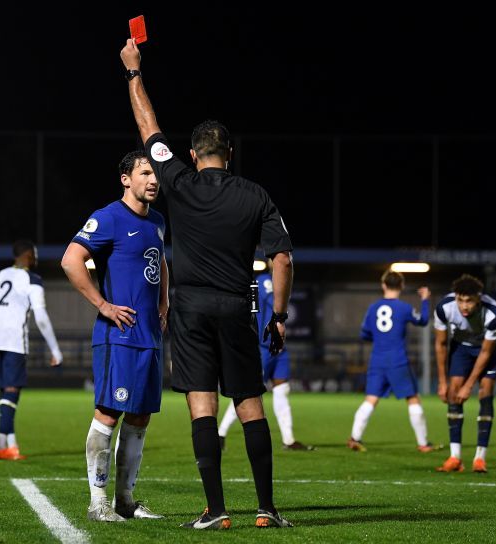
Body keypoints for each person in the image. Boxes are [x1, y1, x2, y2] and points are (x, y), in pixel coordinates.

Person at [121, 39, 294, 530]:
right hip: (238, 307)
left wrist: (134, 72)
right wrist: (277, 316)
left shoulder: (178, 180)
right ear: (230, 154)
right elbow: (281, 258)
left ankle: (216, 510)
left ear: (193, 154)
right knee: (249, 404)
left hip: (189, 309)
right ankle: (266, 508)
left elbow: (147, 126)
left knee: (201, 402)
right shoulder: (256, 196)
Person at [61, 150, 168, 522]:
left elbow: (160, 261)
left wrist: (165, 303)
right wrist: (103, 305)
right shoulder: (107, 218)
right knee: (109, 414)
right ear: (126, 179)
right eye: (145, 173)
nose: (153, 180)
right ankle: (97, 502)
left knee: (140, 419)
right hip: (118, 336)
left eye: (156, 174)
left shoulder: (157, 220)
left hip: (149, 336)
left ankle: (125, 500)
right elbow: (71, 260)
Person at [0, 239, 63, 461]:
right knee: (11, 392)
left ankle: (7, 443)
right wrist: (55, 348)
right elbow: (41, 317)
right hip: (14, 342)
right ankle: (1, 446)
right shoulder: (32, 280)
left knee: (5, 393)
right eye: (34, 254)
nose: (36, 259)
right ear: (28, 256)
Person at [219, 264, 313, 452]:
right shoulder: (265, 281)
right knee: (247, 393)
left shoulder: (279, 282)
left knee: (282, 390)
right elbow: (275, 305)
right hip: (262, 346)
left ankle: (289, 439)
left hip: (279, 347)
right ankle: (220, 433)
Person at [347, 269, 436, 453]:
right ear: (401, 286)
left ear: (383, 285)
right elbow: (424, 320)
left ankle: (354, 437)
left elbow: (364, 333)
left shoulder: (373, 308)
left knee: (370, 399)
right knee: (413, 399)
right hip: (398, 361)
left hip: (377, 360)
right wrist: (425, 299)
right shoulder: (404, 308)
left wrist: (381, 338)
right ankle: (423, 444)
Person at [434, 274, 496, 474]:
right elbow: (440, 344)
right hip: (462, 347)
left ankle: (480, 458)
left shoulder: (493, 314)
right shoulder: (444, 308)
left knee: (485, 390)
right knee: (453, 393)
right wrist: (442, 381)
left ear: (478, 299)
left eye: (469, 301)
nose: (464, 306)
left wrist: (469, 385)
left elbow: (486, 352)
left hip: (486, 349)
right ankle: (455, 457)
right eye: (460, 300)